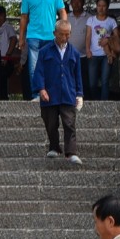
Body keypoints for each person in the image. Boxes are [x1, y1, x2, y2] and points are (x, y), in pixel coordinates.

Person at [31, 16, 84, 163]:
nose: (64, 37)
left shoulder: (74, 52)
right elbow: (39, 71)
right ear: (55, 33)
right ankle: (54, 147)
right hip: (50, 93)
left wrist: (79, 94)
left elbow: (77, 75)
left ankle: (71, 152)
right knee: (51, 123)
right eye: (61, 34)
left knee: (69, 123)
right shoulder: (44, 51)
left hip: (68, 92)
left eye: (67, 34)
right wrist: (41, 89)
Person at [16, 0, 64, 98]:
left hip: (51, 36)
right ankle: (36, 95)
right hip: (33, 36)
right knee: (33, 68)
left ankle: (50, 93)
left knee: (52, 66)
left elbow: (62, 11)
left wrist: (63, 26)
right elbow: (24, 17)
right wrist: (21, 38)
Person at [84, 0, 118, 100]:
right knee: (92, 83)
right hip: (93, 54)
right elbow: (88, 35)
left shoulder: (111, 21)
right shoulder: (91, 20)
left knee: (105, 81)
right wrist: (87, 50)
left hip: (106, 55)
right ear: (96, 6)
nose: (101, 8)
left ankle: (104, 104)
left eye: (103, 6)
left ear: (107, 7)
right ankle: (95, 103)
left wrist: (108, 40)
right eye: (99, 5)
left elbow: (116, 37)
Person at [65, 0, 92, 93]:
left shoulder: (89, 17)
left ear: (83, 2)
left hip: (84, 55)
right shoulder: (66, 17)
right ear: (71, 4)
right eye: (74, 2)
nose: (76, 4)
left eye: (78, 1)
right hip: (68, 54)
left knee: (83, 80)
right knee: (69, 79)